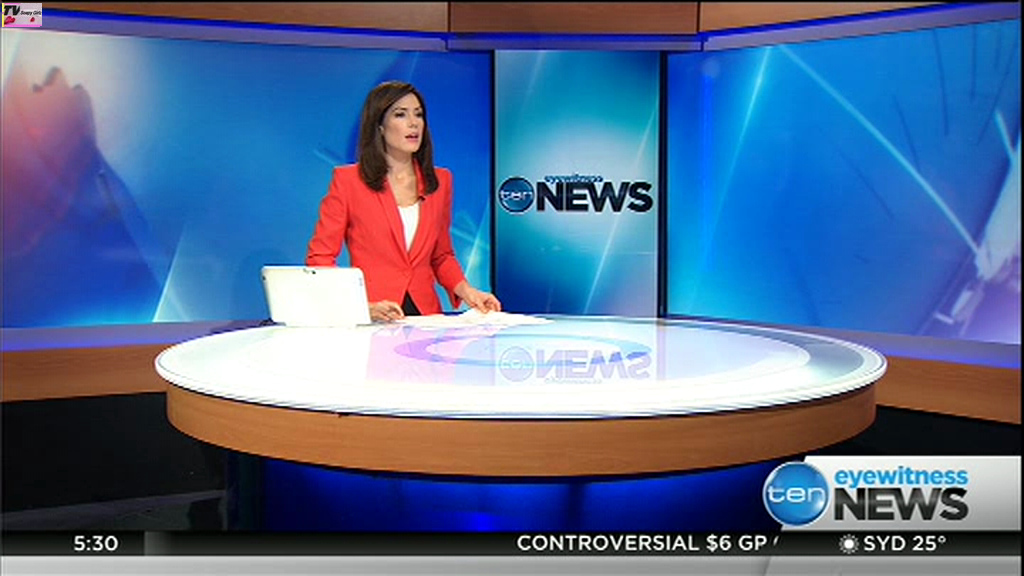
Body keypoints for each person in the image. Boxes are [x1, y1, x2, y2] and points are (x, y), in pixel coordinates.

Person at [306, 80, 501, 322]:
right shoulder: (348, 181)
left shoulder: (440, 181)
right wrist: (360, 306)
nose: (413, 123)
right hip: (374, 315)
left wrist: (469, 292)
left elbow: (441, 256)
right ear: (379, 125)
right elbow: (320, 258)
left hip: (425, 318)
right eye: (401, 114)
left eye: (418, 115)